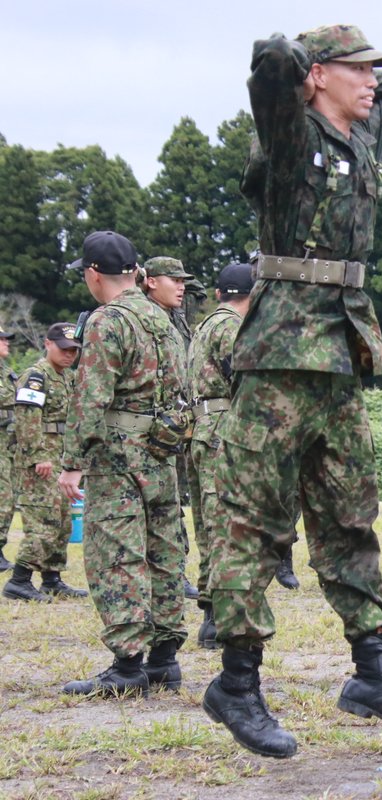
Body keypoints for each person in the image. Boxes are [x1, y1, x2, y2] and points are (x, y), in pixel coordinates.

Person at [203, 25, 382, 760]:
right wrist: (302, 71)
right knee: (254, 521)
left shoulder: (364, 138)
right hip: (280, 352)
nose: (373, 81)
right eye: (356, 69)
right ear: (316, 77)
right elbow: (270, 66)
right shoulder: (284, 132)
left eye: (374, 69)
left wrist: (351, 83)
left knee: (351, 517)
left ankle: (373, 673)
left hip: (340, 351)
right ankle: (236, 684)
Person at [58, 230, 189, 698]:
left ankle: (128, 664)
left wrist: (72, 463)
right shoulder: (162, 318)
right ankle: (164, 660)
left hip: (117, 454)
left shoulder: (105, 321)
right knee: (164, 550)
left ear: (94, 274)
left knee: (116, 553)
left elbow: (90, 396)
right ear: (136, 273)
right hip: (161, 451)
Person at [188, 262, 254, 649]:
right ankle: (218, 616)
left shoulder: (204, 325)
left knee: (209, 523)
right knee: (226, 522)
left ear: (219, 293)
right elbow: (242, 379)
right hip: (225, 430)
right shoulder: (232, 327)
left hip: (203, 428)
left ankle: (212, 608)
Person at [2, 323, 88, 602]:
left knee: (63, 520)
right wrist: (37, 455)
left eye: (74, 350)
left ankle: (52, 578)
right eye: (64, 349)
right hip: (39, 460)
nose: (69, 355)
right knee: (44, 520)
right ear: (48, 344)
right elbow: (27, 418)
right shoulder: (36, 376)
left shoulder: (68, 377)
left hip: (61, 457)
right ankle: (19, 580)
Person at [141, 257, 203, 602]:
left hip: (174, 429)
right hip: (144, 431)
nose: (181, 287)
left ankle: (172, 572)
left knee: (172, 505)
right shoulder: (136, 318)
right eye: (174, 280)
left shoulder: (175, 319)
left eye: (184, 281)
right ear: (150, 281)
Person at [0, 324, 17, 572]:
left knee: (7, 498)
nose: (6, 342)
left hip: (8, 445)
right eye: (1, 339)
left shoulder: (8, 373)